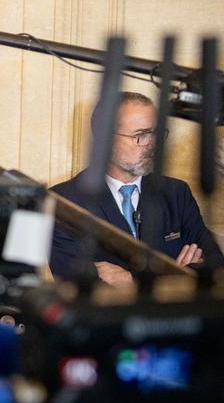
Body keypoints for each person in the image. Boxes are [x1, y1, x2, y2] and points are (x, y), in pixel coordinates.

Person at [49, 91, 224, 286]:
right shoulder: (64, 202)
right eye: (141, 135)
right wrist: (179, 276)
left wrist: (130, 280)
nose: (153, 145)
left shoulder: (176, 193)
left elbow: (215, 265)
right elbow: (79, 285)